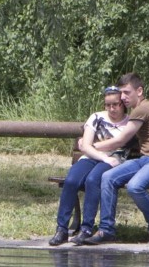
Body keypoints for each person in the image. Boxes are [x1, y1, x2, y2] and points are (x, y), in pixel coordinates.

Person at [80, 72, 149, 246]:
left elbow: (121, 140)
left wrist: (89, 146)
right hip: (147, 159)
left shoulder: (142, 109)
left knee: (135, 186)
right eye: (121, 93)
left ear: (139, 91)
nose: (123, 97)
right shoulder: (141, 110)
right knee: (108, 177)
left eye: (126, 93)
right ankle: (106, 230)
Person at [49, 87, 133, 246]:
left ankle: (86, 228)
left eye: (115, 104)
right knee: (71, 180)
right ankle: (61, 229)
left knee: (93, 180)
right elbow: (86, 146)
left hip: (115, 161)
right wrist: (102, 156)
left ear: (123, 104)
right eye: (107, 105)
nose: (111, 109)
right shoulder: (96, 117)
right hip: (93, 156)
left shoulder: (130, 122)